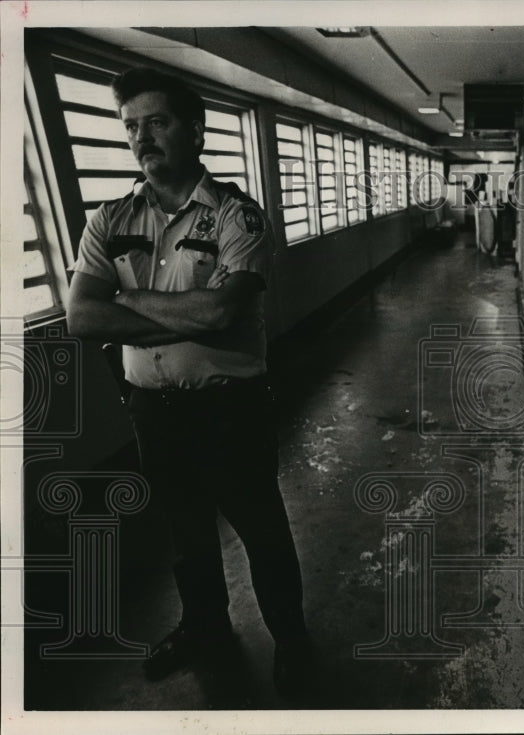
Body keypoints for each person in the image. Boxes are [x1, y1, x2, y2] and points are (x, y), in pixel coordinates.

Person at [66, 67, 310, 697]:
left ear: (196, 131)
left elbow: (224, 312)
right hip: (153, 409)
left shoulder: (237, 214)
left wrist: (130, 297)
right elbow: (82, 317)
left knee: (262, 530)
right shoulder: (110, 217)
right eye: (131, 127)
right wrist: (184, 317)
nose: (142, 138)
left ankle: (292, 640)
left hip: (231, 410)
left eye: (158, 122)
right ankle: (205, 626)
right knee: (185, 533)